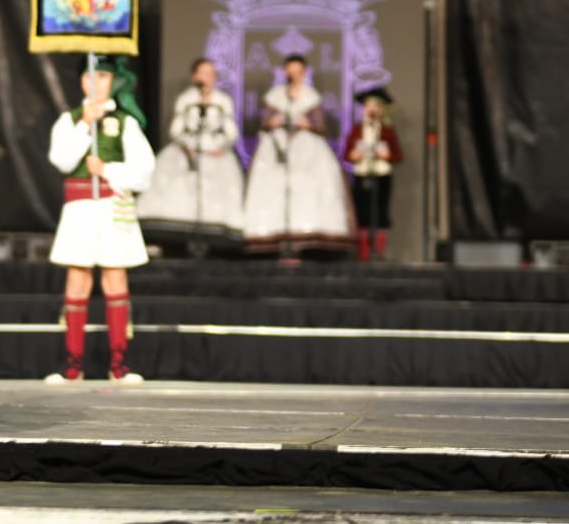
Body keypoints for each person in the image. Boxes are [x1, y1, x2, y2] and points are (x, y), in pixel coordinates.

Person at [45, 56, 154, 384]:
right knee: (77, 279)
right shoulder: (69, 120)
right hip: (80, 208)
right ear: (82, 81)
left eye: (104, 76)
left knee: (115, 279)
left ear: (112, 82)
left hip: (111, 206)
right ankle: (72, 366)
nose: (97, 83)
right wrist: (84, 125)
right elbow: (61, 160)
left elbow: (144, 173)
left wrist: (106, 170)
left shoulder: (125, 122)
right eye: (92, 76)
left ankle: (119, 366)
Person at [240, 55, 356, 253]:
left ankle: (304, 233)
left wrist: (308, 124)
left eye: (298, 71)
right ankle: (273, 234)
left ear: (304, 72)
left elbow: (321, 126)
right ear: (285, 71)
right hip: (278, 145)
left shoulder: (311, 95)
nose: (294, 75)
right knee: (274, 185)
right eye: (290, 71)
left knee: (306, 186)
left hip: (306, 145)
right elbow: (265, 122)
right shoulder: (276, 94)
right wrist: (272, 123)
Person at [138, 57, 245, 243]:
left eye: (211, 73)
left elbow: (231, 131)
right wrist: (187, 147)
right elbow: (176, 129)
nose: (207, 77)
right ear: (194, 76)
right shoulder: (186, 99)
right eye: (203, 73)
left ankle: (215, 237)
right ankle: (178, 236)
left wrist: (221, 146)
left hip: (215, 151)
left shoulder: (223, 100)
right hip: (188, 150)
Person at [343, 86, 404, 261]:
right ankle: (363, 255)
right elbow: (346, 155)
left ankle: (379, 253)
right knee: (363, 214)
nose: (371, 109)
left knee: (381, 213)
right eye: (368, 106)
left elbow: (398, 155)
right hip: (362, 174)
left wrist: (388, 155)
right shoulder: (356, 130)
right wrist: (354, 155)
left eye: (376, 105)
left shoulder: (386, 131)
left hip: (382, 174)